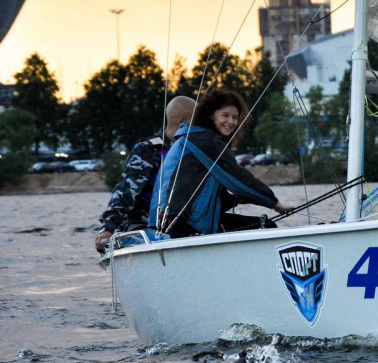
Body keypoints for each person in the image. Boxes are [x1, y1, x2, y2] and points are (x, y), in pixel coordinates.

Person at [149, 88, 292, 238]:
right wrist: (275, 204)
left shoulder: (191, 137)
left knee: (260, 224)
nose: (231, 122)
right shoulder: (204, 140)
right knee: (267, 226)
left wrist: (239, 199)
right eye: (225, 115)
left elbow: (205, 195)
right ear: (210, 116)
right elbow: (237, 177)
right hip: (183, 225)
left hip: (170, 224)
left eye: (235, 117)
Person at [94, 95, 196, 253]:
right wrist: (107, 229)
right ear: (182, 122)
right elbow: (125, 191)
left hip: (177, 226)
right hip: (142, 228)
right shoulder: (149, 150)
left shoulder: (190, 152)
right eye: (196, 123)